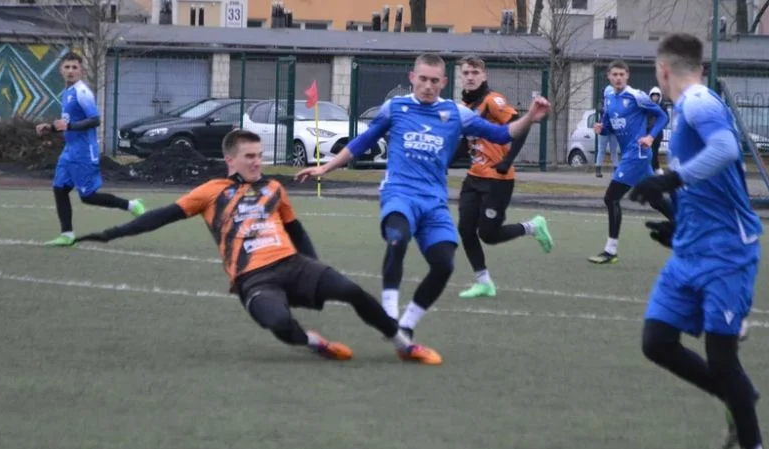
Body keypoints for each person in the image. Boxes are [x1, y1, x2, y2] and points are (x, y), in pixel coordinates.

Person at [73, 129, 443, 364]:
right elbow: (160, 217)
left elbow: (297, 232)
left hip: (292, 264)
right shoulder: (211, 192)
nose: (257, 162)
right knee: (279, 323)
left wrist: (315, 267)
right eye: (249, 156)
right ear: (230, 160)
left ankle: (403, 343)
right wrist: (113, 233)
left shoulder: (273, 189)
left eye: (260, 155)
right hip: (252, 278)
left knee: (351, 290)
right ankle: (314, 342)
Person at [295, 53, 551, 343]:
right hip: (399, 193)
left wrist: (530, 118)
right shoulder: (395, 108)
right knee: (398, 238)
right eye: (423, 79)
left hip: (434, 201)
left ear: (443, 82)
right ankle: (389, 316)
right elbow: (363, 141)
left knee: (444, 264)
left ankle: (407, 325)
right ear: (412, 78)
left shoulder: (456, 113)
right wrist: (326, 167)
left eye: (434, 81)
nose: (428, 86)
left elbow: (502, 135)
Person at [630, 33, 764, 449]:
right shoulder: (688, 109)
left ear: (662, 70)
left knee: (722, 360)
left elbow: (725, 149)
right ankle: (740, 396)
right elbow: (705, 185)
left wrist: (670, 178)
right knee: (657, 342)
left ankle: (750, 433)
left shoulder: (698, 101)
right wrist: (677, 226)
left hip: (727, 252)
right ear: (700, 67)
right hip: (691, 249)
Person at [454, 55, 553, 299]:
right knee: (465, 229)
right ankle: (484, 282)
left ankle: (533, 227)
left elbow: (521, 125)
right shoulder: (463, 107)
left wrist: (507, 161)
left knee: (488, 235)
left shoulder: (493, 100)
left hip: (498, 179)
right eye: (466, 73)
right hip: (474, 177)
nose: (470, 77)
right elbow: (465, 145)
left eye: (475, 73)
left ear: (484, 76)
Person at [35, 51, 145, 246]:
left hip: (84, 152)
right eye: (67, 67)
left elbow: (95, 120)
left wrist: (69, 126)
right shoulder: (67, 92)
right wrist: (51, 127)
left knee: (88, 197)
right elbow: (68, 122)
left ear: (81, 71)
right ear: (61, 70)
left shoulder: (82, 92)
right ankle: (67, 235)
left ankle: (132, 205)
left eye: (74, 67)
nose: (70, 71)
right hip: (70, 151)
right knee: (59, 188)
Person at [587, 59, 673, 265]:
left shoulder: (636, 96)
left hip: (637, 154)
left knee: (611, 198)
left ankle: (610, 250)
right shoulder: (609, 96)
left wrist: (650, 136)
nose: (618, 78)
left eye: (622, 74)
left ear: (627, 76)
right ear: (608, 76)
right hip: (631, 154)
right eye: (614, 74)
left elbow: (663, 116)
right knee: (655, 199)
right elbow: (609, 126)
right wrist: (601, 129)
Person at [647, 86, 666, 174]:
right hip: (648, 132)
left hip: (658, 133)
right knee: (649, 151)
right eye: (653, 95)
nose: (655, 97)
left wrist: (660, 126)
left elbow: (666, 119)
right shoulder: (647, 106)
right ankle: (653, 167)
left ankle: (655, 167)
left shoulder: (662, 106)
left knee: (655, 151)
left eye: (656, 96)